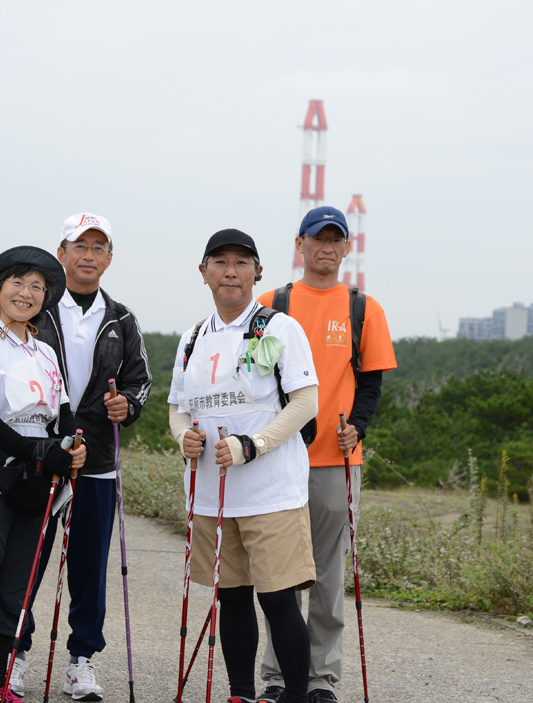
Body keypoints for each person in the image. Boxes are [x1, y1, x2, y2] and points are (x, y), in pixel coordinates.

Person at [168, 229, 320, 703]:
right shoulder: (193, 337)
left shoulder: (278, 328)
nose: (230, 271)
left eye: (241, 262)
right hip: (213, 495)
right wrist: (183, 437)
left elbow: (306, 402)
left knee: (277, 600)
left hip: (271, 492)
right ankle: (241, 694)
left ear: (258, 272)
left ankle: (295, 694)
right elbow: (177, 407)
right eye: (219, 262)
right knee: (230, 599)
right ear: (204, 272)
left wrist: (254, 445)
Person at [256, 206, 397, 703]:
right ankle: (276, 677)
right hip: (278, 457)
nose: (327, 248)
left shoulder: (363, 308)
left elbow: (372, 383)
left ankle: (321, 680)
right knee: (279, 575)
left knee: (327, 574)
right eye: (319, 239)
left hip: (335, 462)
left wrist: (356, 430)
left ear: (346, 248)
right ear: (301, 244)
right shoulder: (272, 303)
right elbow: (252, 376)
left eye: (336, 240)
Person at [11, 213, 152, 702]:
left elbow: (139, 382)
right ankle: (15, 652)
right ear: (62, 253)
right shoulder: (36, 309)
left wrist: (126, 405)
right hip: (42, 454)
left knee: (90, 566)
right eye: (79, 245)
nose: (88, 255)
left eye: (99, 247)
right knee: (27, 559)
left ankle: (82, 660)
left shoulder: (122, 319)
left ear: (109, 258)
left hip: (98, 460)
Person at [0, 246, 88, 703]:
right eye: (18, 283)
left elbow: (64, 415)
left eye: (37, 287)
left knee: (15, 593)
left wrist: (71, 449)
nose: (26, 293)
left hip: (35, 488)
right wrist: (37, 453)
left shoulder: (45, 350)